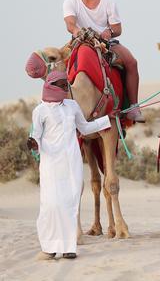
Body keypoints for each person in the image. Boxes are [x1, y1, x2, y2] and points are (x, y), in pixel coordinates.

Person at [27, 71, 111, 260]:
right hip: (51, 163)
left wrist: (108, 119)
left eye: (67, 85)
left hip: (71, 161)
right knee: (50, 204)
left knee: (70, 203)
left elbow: (85, 128)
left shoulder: (72, 106)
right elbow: (37, 135)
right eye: (63, 85)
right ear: (51, 86)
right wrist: (33, 143)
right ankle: (49, 247)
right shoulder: (40, 110)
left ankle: (68, 247)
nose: (66, 89)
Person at [63, 0, 145, 123]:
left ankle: (133, 107)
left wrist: (109, 32)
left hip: (106, 43)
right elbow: (70, 24)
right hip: (80, 41)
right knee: (57, 65)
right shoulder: (70, 2)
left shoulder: (108, 1)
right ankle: (59, 110)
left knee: (131, 63)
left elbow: (117, 28)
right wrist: (78, 32)